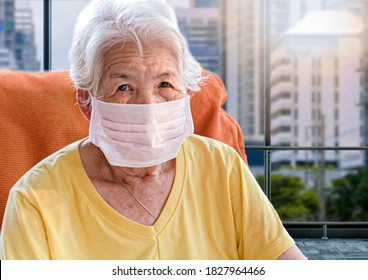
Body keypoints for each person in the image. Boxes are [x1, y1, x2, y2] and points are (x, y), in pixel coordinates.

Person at [0, 0, 306, 260]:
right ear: (85, 100)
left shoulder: (223, 167)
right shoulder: (33, 200)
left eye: (164, 84)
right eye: (123, 87)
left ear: (186, 91)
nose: (148, 104)